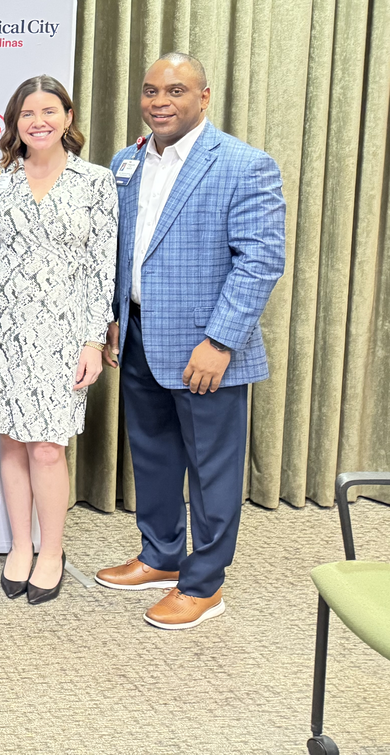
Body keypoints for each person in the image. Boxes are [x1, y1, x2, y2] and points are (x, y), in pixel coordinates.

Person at [96, 53, 285, 630]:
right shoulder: (125, 162)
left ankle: (204, 584)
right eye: (151, 91)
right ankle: (160, 556)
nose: (159, 101)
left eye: (175, 90)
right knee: (152, 455)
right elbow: (118, 248)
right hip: (137, 337)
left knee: (211, 469)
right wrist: (111, 318)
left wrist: (221, 342)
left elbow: (260, 261)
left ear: (203, 97)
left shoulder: (244, 164)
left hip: (205, 349)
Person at [0, 76, 117, 604]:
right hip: (1, 327)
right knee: (11, 442)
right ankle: (19, 546)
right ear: (14, 122)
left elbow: (102, 267)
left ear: (68, 118)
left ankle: (52, 551)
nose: (39, 121)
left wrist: (94, 340)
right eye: (28, 113)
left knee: (48, 448)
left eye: (50, 110)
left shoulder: (95, 183)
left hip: (64, 333)